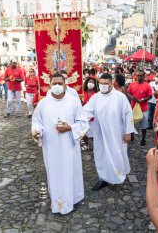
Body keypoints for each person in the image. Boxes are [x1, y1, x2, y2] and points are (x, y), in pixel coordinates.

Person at [31, 73, 89, 214]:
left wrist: (70, 127)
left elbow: (83, 122)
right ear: (49, 85)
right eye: (54, 83)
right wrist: (37, 131)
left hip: (69, 146)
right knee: (55, 173)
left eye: (60, 83)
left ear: (65, 84)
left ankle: (73, 199)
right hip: (51, 147)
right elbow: (36, 122)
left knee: (70, 172)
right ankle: (57, 201)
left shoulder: (73, 101)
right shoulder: (43, 104)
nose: (57, 86)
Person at [83, 73, 134, 191]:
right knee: (101, 155)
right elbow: (87, 111)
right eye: (101, 83)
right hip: (100, 133)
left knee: (117, 154)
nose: (103, 86)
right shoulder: (96, 97)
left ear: (111, 84)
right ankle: (103, 178)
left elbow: (128, 114)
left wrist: (128, 132)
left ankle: (118, 177)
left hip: (117, 133)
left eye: (106, 84)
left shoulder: (120, 97)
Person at [127, 70, 153, 146]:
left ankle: (143, 138)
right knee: (131, 123)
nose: (139, 77)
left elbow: (150, 96)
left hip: (143, 108)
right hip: (133, 107)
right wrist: (132, 97)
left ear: (144, 76)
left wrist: (142, 99)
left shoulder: (147, 85)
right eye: (138, 75)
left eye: (141, 75)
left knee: (144, 125)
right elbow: (128, 92)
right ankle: (131, 135)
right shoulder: (132, 84)